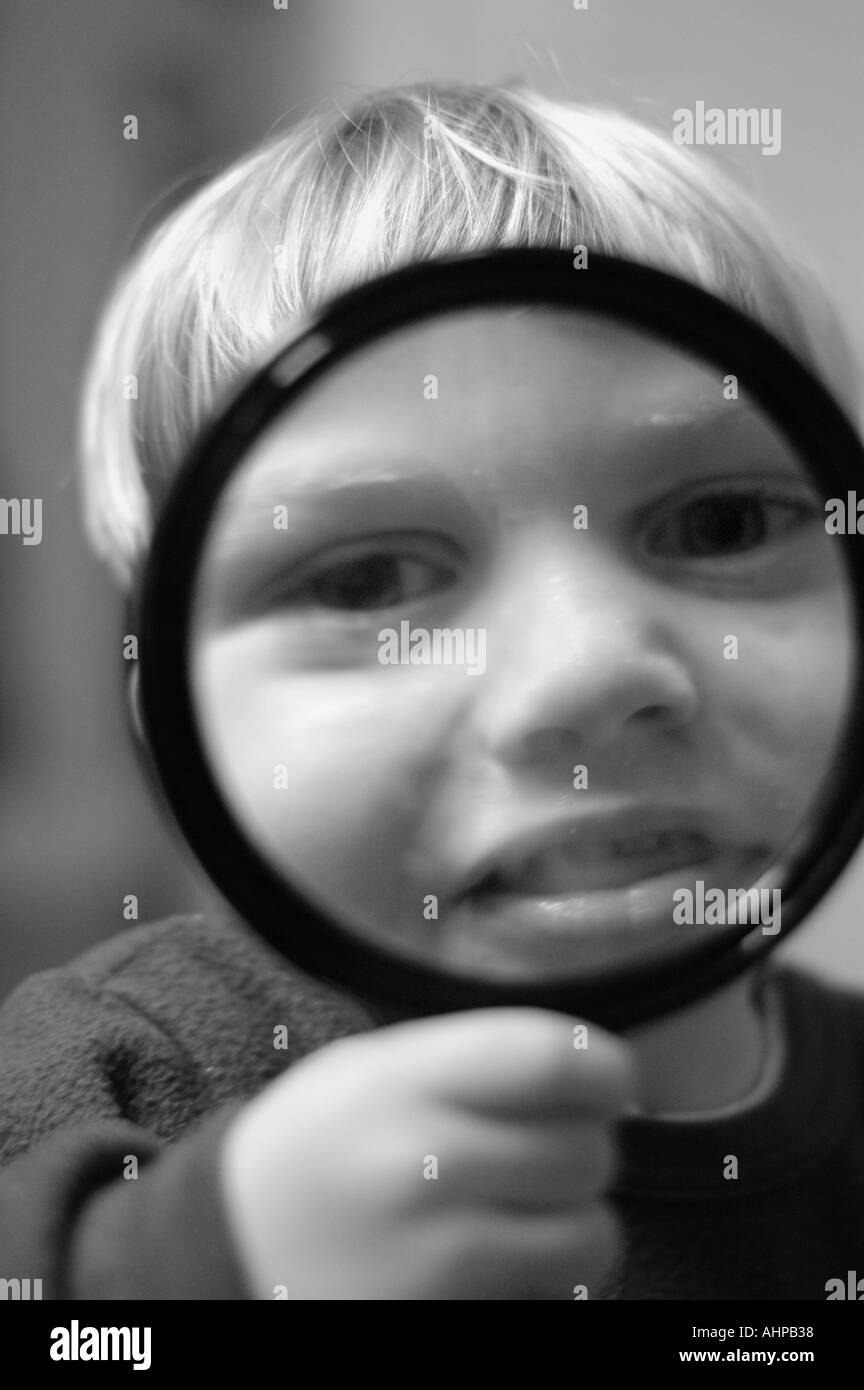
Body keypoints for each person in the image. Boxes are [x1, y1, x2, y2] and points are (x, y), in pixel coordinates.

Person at [2, 81, 863, 1301]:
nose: (589, 671)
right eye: (366, 579)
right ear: (174, 726)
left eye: (719, 521)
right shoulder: (116, 1072)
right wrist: (199, 1270)